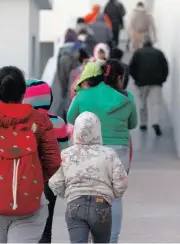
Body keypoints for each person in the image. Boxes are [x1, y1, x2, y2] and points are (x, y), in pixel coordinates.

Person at [0, 66, 61, 243]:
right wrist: (34, 177)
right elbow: (53, 161)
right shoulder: (40, 121)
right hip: (31, 201)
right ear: (24, 92)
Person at [67, 60, 138, 243]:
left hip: (90, 151)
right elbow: (133, 124)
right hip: (120, 151)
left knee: (87, 194)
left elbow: (71, 118)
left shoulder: (84, 96)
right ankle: (111, 239)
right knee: (114, 196)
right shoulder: (127, 97)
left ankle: (88, 236)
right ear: (120, 77)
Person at [49, 111, 128, 243]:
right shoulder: (109, 154)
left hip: (75, 205)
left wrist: (69, 193)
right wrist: (109, 194)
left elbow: (55, 182)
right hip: (101, 205)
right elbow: (121, 183)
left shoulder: (67, 154)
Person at [23, 79, 69, 243]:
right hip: (50, 180)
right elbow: (64, 152)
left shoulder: (21, 123)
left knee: (25, 224)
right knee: (46, 227)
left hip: (25, 179)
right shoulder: (58, 122)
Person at [129, 36, 169, 136]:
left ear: (143, 43)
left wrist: (136, 79)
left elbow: (131, 68)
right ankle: (155, 123)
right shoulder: (158, 53)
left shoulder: (138, 53)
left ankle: (143, 124)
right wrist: (162, 79)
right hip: (156, 82)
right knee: (155, 104)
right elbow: (165, 67)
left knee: (142, 104)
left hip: (142, 82)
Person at [57, 29, 83, 120]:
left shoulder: (62, 49)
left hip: (63, 65)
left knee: (65, 92)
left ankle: (66, 115)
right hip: (76, 76)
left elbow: (61, 78)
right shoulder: (78, 46)